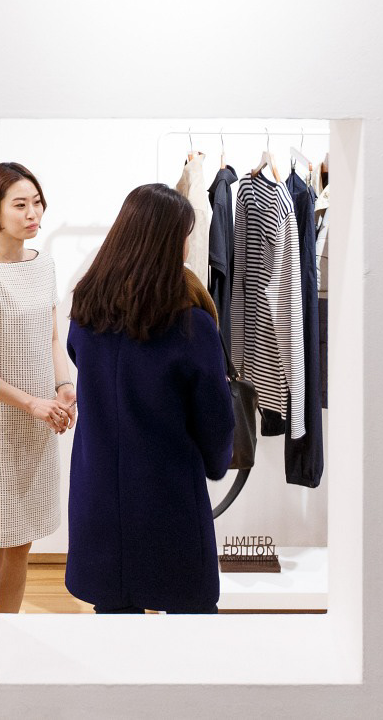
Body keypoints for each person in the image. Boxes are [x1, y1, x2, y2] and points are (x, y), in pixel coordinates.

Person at [65, 183, 235, 614]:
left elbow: (80, 361)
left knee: (115, 622)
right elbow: (215, 416)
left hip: (99, 491)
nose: (188, 245)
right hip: (167, 498)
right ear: (168, 242)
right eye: (185, 235)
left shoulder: (87, 310)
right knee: (191, 623)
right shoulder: (191, 323)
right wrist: (217, 463)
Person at [0, 162, 76, 613]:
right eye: (20, 204)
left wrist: (64, 386)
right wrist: (31, 403)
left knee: (20, 543)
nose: (33, 214)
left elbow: (52, 335)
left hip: (39, 420)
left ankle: (5, 634)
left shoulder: (43, 264)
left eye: (37, 202)